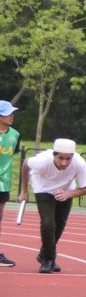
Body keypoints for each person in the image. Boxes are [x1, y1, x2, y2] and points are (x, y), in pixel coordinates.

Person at [19, 139, 86, 273]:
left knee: (60, 224)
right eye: (61, 158)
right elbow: (25, 164)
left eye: (68, 159)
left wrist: (69, 194)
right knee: (48, 224)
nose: (64, 162)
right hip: (43, 189)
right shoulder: (42, 161)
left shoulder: (79, 163)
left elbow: (85, 188)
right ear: (54, 155)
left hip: (66, 190)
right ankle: (48, 259)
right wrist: (24, 191)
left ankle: (43, 253)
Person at [0, 100, 20, 267]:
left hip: (3, 183)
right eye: (8, 113)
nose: (12, 116)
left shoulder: (15, 134)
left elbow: (12, 154)